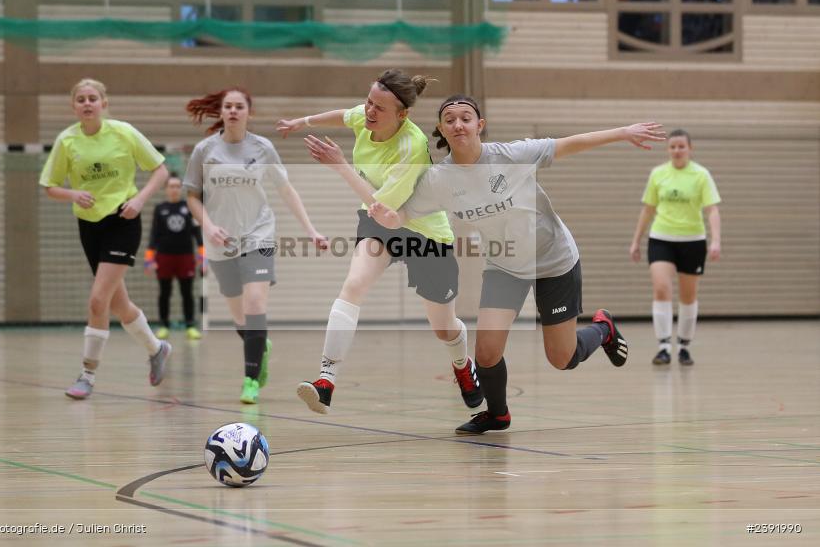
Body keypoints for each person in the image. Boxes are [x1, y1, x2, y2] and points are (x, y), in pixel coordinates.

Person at [367, 94, 665, 434]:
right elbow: (404, 214)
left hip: (553, 259)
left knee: (562, 358)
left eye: (465, 118)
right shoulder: (439, 179)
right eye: (450, 120)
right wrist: (388, 218)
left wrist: (623, 132)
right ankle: (498, 415)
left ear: (479, 125)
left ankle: (603, 329)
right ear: (441, 129)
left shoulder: (511, 156)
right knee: (486, 353)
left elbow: (569, 143)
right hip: (504, 265)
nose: (458, 124)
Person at [275, 69, 482, 415]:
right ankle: (326, 381)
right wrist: (302, 121)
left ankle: (462, 364)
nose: (370, 111)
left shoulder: (411, 147)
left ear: (402, 115)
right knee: (354, 285)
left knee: (443, 327)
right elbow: (345, 115)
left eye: (379, 108)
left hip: (424, 232)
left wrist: (341, 166)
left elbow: (386, 211)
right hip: (379, 223)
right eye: (369, 102)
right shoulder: (366, 115)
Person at [184, 86, 329, 404]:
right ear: (221, 112)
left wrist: (311, 230)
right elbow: (192, 196)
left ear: (248, 112)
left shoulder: (262, 148)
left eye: (239, 106)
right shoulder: (205, 150)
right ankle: (261, 345)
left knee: (254, 305)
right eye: (228, 106)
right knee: (239, 317)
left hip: (258, 234)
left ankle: (250, 379)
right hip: (221, 241)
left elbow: (286, 190)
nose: (233, 111)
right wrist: (209, 226)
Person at [39, 78, 172, 400]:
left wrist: (139, 200)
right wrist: (73, 193)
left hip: (123, 220)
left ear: (103, 103)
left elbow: (161, 171)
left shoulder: (123, 132)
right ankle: (156, 348)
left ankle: (87, 375)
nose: (87, 103)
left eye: (92, 98)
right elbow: (50, 186)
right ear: (74, 106)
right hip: (89, 226)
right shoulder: (67, 140)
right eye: (81, 99)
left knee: (98, 300)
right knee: (117, 304)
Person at [629, 129, 721, 367]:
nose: (677, 150)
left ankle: (683, 347)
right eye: (673, 147)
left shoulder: (701, 175)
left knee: (688, 296)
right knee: (661, 288)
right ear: (667, 149)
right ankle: (663, 347)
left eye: (681, 146)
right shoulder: (658, 174)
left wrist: (716, 240)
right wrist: (636, 240)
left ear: (690, 149)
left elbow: (712, 209)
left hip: (693, 241)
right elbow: (648, 209)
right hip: (661, 239)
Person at [144, 172, 204, 341]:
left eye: (178, 186)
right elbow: (154, 235)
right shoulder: (159, 209)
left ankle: (190, 326)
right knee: (164, 292)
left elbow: (197, 234)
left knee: (187, 293)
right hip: (164, 257)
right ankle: (164, 325)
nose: (175, 189)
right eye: (171, 186)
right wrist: (149, 259)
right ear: (166, 189)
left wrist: (203, 258)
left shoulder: (189, 207)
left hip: (186, 257)